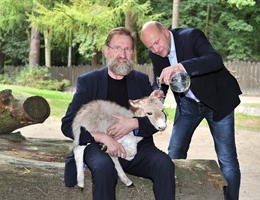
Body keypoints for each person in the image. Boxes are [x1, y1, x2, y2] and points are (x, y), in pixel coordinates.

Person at [61, 27, 175, 200]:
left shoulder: (141, 80)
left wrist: (135, 124)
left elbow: (160, 119)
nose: (123, 54)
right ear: (107, 51)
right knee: (104, 167)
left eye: (128, 49)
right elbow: (68, 124)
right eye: (117, 48)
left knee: (164, 163)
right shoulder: (89, 82)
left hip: (137, 148)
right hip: (99, 148)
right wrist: (101, 136)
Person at [140, 21, 242, 200]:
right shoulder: (154, 52)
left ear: (165, 31)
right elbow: (160, 79)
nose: (155, 49)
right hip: (188, 105)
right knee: (174, 152)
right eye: (150, 46)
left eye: (156, 43)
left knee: (227, 161)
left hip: (218, 102)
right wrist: (158, 93)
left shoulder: (192, 36)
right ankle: (173, 195)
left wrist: (180, 66)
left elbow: (215, 60)